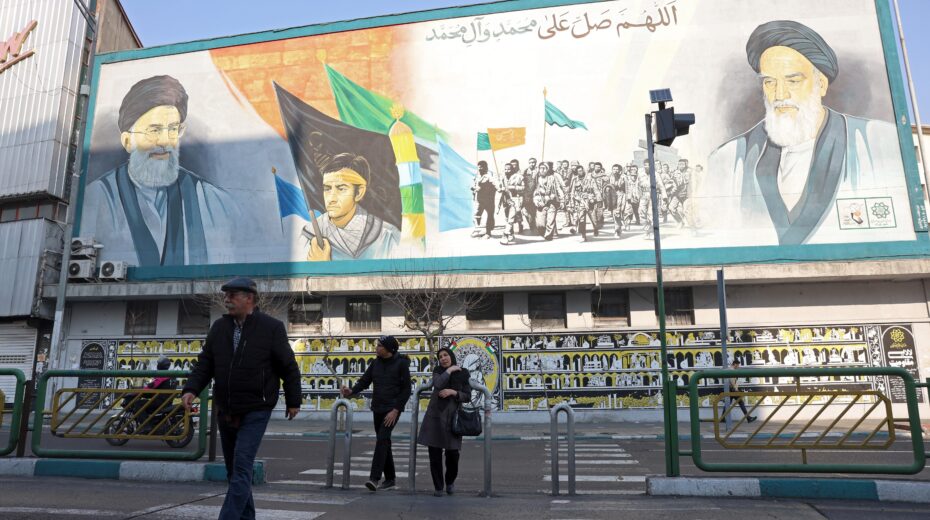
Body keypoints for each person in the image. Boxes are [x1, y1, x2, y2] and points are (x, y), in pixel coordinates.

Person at [706, 20, 908, 246]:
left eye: (792, 80)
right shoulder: (728, 159)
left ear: (820, 84)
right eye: (769, 82)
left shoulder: (878, 141)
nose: (779, 94)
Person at [81, 75, 236, 266]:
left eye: (172, 130)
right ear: (128, 141)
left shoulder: (213, 201)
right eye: (154, 130)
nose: (164, 142)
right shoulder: (96, 198)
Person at [181, 277, 302, 520]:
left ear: (249, 298)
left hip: (257, 407)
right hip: (226, 408)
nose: (226, 300)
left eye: (232, 295)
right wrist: (191, 389)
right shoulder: (219, 327)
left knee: (242, 465)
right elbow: (206, 363)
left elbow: (288, 367)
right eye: (225, 295)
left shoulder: (271, 328)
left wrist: (293, 400)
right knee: (233, 471)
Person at [341, 335, 411, 492]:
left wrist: (396, 410)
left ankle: (374, 478)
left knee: (381, 439)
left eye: (379, 345)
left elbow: (407, 390)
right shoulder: (376, 363)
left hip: (392, 409)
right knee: (384, 442)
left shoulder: (401, 364)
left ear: (388, 349)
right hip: (377, 408)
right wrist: (351, 391)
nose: (376, 348)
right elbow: (364, 381)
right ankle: (391, 478)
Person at [306, 152, 400, 261]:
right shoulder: (308, 235)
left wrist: (322, 268)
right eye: (327, 189)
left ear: (359, 193)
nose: (331, 198)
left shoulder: (387, 236)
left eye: (341, 189)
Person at [417, 347, 473, 497]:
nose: (443, 358)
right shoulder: (438, 371)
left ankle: (450, 482)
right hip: (435, 417)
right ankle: (438, 487)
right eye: (440, 356)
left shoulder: (463, 373)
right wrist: (449, 371)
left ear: (451, 356)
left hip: (453, 419)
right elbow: (439, 385)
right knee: (434, 454)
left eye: (445, 355)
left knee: (453, 454)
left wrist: (453, 392)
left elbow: (467, 396)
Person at [470, 161, 497, 239]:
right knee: (477, 215)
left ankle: (488, 232)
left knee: (490, 216)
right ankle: (478, 230)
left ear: (486, 167)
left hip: (488, 200)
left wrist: (499, 189)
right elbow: (475, 186)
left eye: (481, 167)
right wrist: (474, 190)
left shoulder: (490, 176)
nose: (480, 168)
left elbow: (495, 184)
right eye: (479, 167)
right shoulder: (477, 176)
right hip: (479, 200)